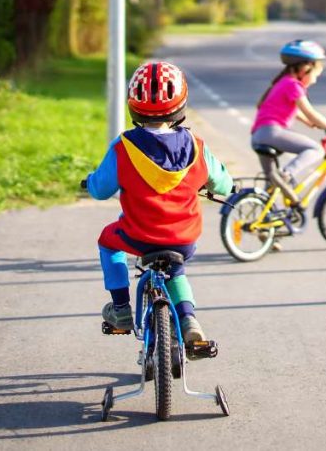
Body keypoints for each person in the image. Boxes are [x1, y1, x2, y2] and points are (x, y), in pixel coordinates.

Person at [84, 61, 233, 354]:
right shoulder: (196, 145)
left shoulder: (123, 146)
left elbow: (101, 190)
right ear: (181, 103)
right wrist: (224, 187)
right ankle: (189, 320)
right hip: (184, 239)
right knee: (176, 271)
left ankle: (122, 308)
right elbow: (223, 184)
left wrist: (89, 182)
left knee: (107, 241)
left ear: (133, 104)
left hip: (138, 236)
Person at [251, 40, 326, 205]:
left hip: (259, 135)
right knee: (315, 149)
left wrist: (309, 123)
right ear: (304, 69)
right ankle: (286, 174)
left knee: (270, 187)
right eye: (315, 75)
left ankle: (265, 222)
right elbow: (310, 112)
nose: (314, 80)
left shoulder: (282, 82)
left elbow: (285, 109)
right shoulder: (293, 85)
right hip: (272, 132)